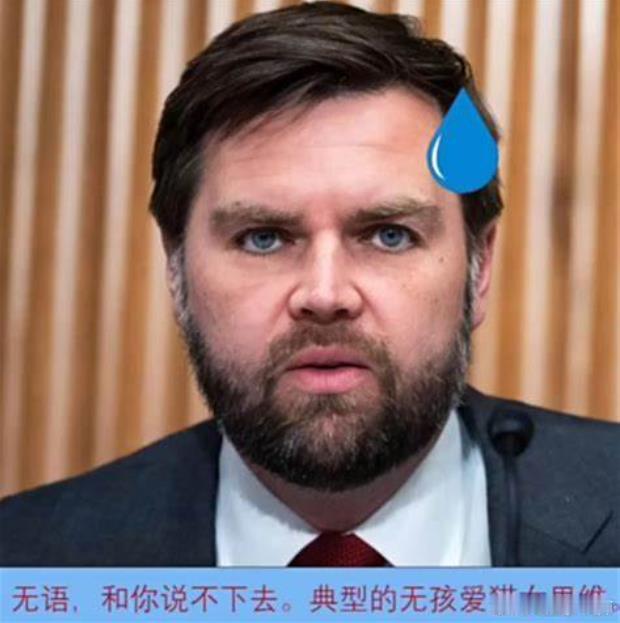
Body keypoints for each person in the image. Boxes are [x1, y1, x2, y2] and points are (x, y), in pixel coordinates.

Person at [1, 1, 618, 567]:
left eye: (389, 235)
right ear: (175, 267)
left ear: (478, 268)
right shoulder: (28, 559)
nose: (325, 296)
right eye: (264, 238)